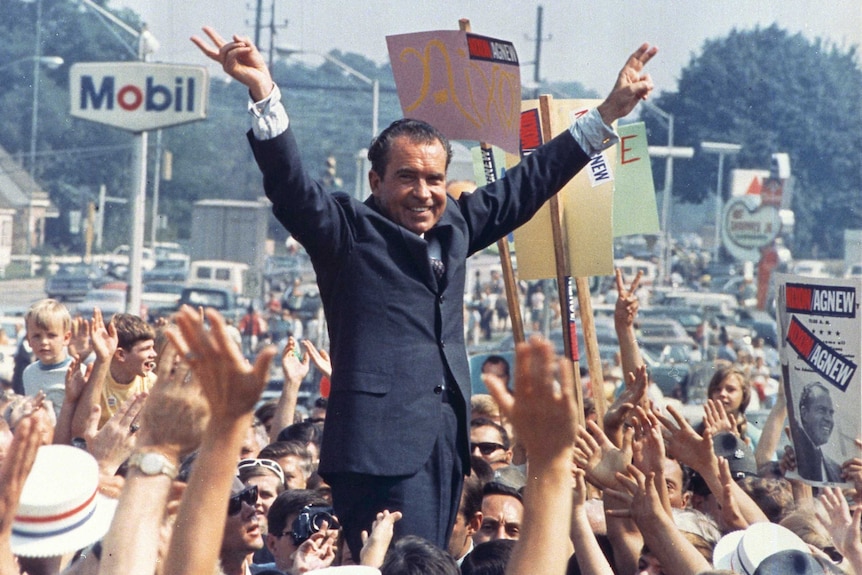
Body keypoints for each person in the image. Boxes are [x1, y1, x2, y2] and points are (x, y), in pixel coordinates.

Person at [192, 25, 657, 557]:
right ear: (376, 181)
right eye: (408, 177)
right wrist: (263, 94)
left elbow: (527, 185)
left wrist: (606, 116)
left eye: (434, 179)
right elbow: (293, 187)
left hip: (444, 442)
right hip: (375, 450)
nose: (424, 193)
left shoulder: (455, 226)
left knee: (431, 562)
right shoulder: (346, 232)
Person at [21, 299, 74, 415]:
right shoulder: (29, 373)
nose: (44, 342)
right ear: (28, 339)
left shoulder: (76, 372)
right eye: (36, 336)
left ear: (66, 338)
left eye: (51, 335)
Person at [791, 381, 842, 483]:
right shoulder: (791, 462)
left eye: (831, 413)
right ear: (804, 413)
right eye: (821, 410)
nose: (828, 419)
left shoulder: (837, 470)